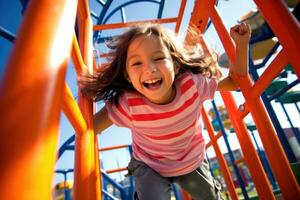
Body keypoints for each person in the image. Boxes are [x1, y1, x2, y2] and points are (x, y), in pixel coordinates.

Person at [80, 23, 251, 200]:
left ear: (175, 65)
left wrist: (242, 44)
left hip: (191, 160)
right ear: (127, 76)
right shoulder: (129, 104)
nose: (149, 69)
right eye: (137, 63)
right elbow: (88, 126)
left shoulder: (192, 85)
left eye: (159, 58)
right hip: (149, 165)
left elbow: (233, 81)